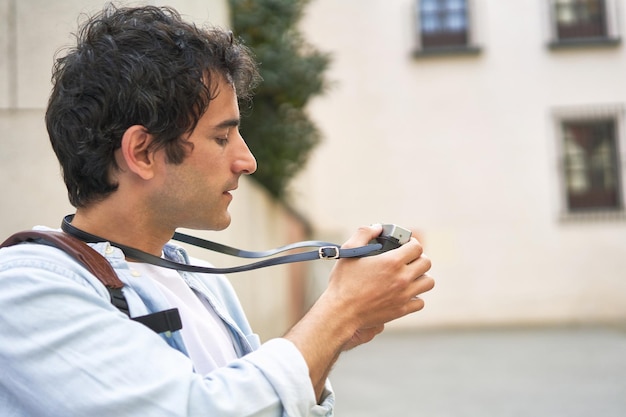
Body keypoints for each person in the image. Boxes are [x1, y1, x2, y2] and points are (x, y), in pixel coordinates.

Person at [0, 4, 434, 416]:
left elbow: (251, 401)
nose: (248, 161)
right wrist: (338, 312)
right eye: (222, 138)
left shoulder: (199, 280)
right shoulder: (25, 287)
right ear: (142, 151)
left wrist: (333, 336)